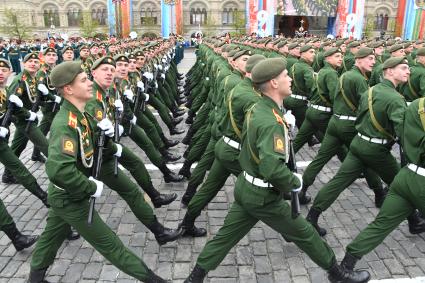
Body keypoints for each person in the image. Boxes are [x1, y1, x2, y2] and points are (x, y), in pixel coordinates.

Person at [184, 58, 370, 283]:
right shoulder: (271, 120)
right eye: (285, 76)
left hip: (247, 188)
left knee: (225, 237)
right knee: (307, 234)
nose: (290, 79)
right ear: (273, 83)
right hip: (264, 197)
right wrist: (294, 182)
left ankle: (195, 277)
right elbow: (271, 168)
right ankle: (337, 273)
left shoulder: (259, 108)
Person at [27, 61, 172, 283]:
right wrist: (91, 187)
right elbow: (58, 170)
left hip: (65, 195)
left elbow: (90, 141)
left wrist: (103, 135)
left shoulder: (80, 114)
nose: (89, 84)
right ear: (68, 89)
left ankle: (34, 279)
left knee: (51, 236)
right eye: (84, 80)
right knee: (112, 246)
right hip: (70, 197)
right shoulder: (65, 123)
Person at [306, 57, 425, 236]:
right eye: (403, 68)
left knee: (337, 182)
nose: (408, 71)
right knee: (403, 185)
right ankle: (414, 221)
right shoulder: (395, 99)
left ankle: (312, 216)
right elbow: (403, 132)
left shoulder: (372, 90)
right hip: (377, 151)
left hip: (358, 143)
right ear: (390, 71)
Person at [339, 96, 425, 278]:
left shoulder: (417, 105)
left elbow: (401, 134)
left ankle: (346, 265)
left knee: (380, 225)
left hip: (406, 176)